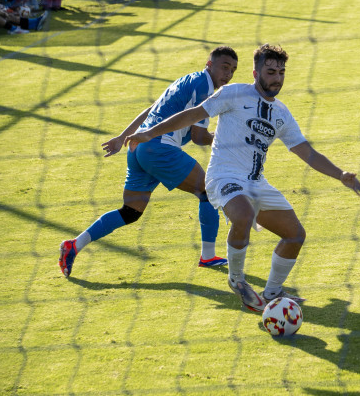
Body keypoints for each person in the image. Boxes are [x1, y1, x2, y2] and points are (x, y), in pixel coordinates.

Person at [124, 44, 360, 312]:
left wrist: (340, 174)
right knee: (244, 215)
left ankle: (273, 292)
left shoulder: (282, 113)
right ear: (255, 72)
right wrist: (149, 132)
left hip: (256, 182)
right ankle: (237, 280)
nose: (277, 78)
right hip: (223, 176)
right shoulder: (233, 93)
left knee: (295, 235)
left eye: (281, 72)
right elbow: (193, 115)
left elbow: (306, 152)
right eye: (271, 71)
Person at [59, 46, 240, 278]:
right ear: (209, 64)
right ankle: (208, 256)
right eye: (224, 67)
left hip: (138, 148)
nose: (228, 74)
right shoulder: (204, 87)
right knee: (207, 190)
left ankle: (74, 245)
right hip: (159, 148)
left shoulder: (186, 80)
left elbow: (150, 110)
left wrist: (122, 137)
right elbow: (199, 138)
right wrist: (232, 137)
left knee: (130, 212)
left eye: (233, 70)